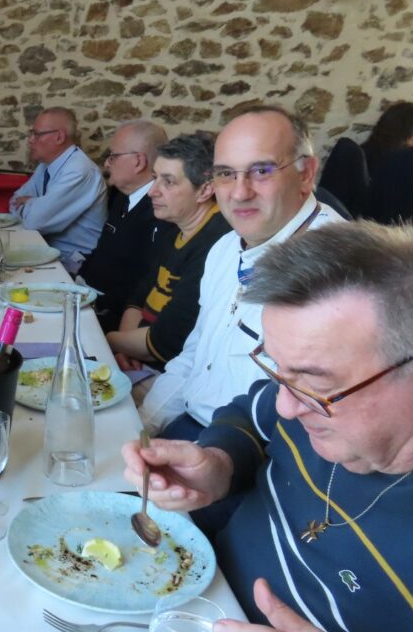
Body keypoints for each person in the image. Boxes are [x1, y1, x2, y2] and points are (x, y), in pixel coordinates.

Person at [121, 221, 413, 632]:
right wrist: (219, 463)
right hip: (177, 606)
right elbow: (250, 412)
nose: (285, 406)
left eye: (317, 384)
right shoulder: (302, 402)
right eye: (278, 369)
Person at [140, 106, 343, 440]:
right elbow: (193, 357)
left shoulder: (335, 272)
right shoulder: (224, 248)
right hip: (187, 424)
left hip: (243, 453)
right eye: (225, 174)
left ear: (306, 174)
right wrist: (142, 429)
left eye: (261, 171)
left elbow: (308, 428)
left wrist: (214, 455)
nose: (239, 192)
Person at [107, 132, 231, 371]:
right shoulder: (176, 226)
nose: (152, 191)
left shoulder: (216, 245)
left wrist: (108, 340)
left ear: (205, 190)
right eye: (155, 178)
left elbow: (166, 342)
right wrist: (125, 346)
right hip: (138, 351)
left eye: (168, 182)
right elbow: (139, 296)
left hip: (172, 371)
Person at [80, 119, 170, 331]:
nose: (107, 164)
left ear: (138, 161)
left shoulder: (161, 211)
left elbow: (144, 285)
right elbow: (103, 250)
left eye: (113, 156)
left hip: (115, 319)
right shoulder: (122, 197)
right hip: (88, 299)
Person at [8, 107, 108, 274]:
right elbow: (14, 201)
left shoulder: (79, 170)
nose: (30, 140)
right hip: (50, 254)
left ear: (59, 137)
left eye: (37, 134)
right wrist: (35, 206)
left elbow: (35, 221)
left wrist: (31, 203)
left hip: (77, 266)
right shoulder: (46, 165)